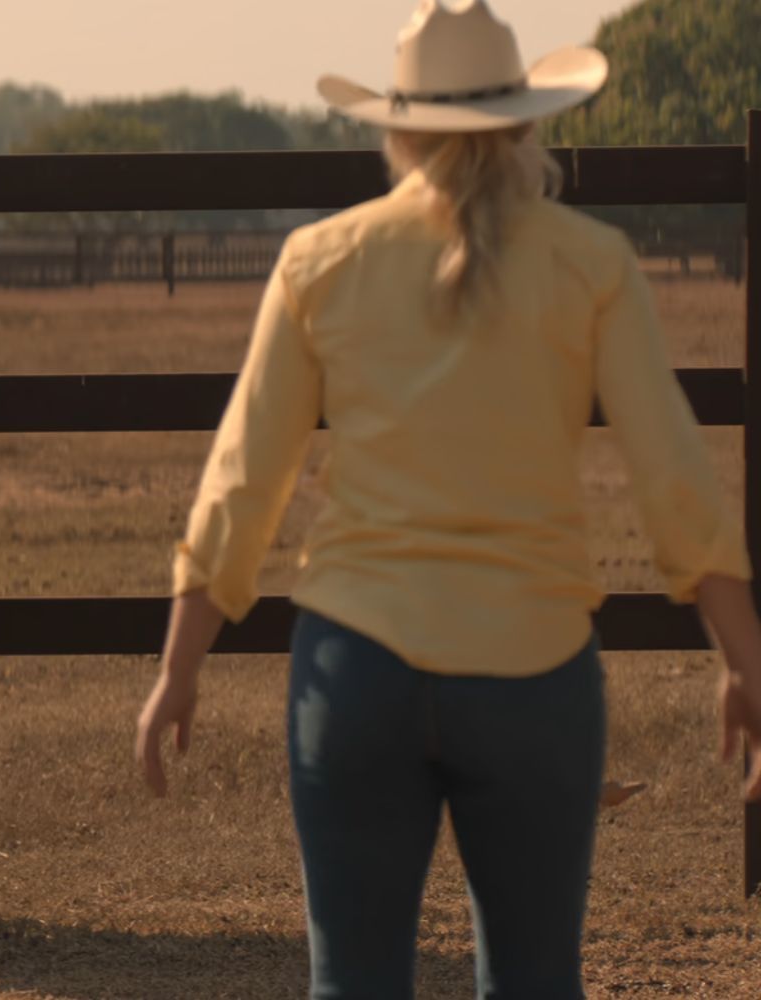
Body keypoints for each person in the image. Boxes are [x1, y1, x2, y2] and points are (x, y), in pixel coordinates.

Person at [133, 2, 761, 997]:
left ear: (398, 127)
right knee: (532, 979)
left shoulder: (318, 262)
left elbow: (242, 478)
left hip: (353, 670)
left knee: (352, 980)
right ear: (523, 122)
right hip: (531, 669)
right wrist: (742, 656)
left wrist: (178, 665)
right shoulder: (589, 262)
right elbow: (673, 477)